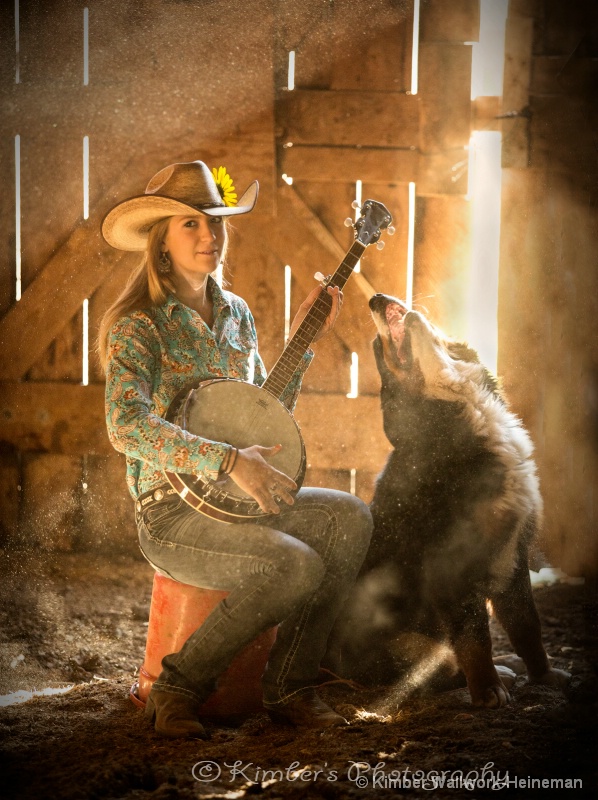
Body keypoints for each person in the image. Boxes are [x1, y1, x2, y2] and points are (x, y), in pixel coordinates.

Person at [98, 159, 373, 738]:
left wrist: (302, 343)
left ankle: (291, 686)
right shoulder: (139, 324)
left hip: (236, 502)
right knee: (293, 563)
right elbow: (125, 425)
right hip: (172, 515)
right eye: (191, 225)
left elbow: (261, 414)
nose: (209, 235)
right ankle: (178, 689)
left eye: (216, 222)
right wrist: (224, 461)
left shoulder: (237, 315)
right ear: (162, 242)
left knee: (350, 518)